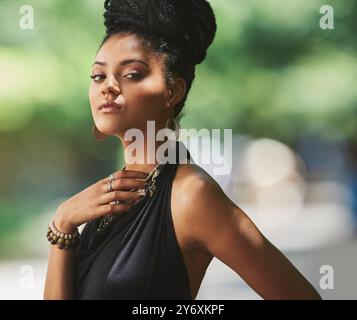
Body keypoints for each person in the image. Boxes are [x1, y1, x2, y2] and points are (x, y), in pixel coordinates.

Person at [44, 0, 322, 300]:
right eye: (98, 76)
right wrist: (63, 223)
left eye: (132, 74)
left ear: (173, 91)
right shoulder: (106, 197)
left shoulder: (192, 195)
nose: (107, 86)